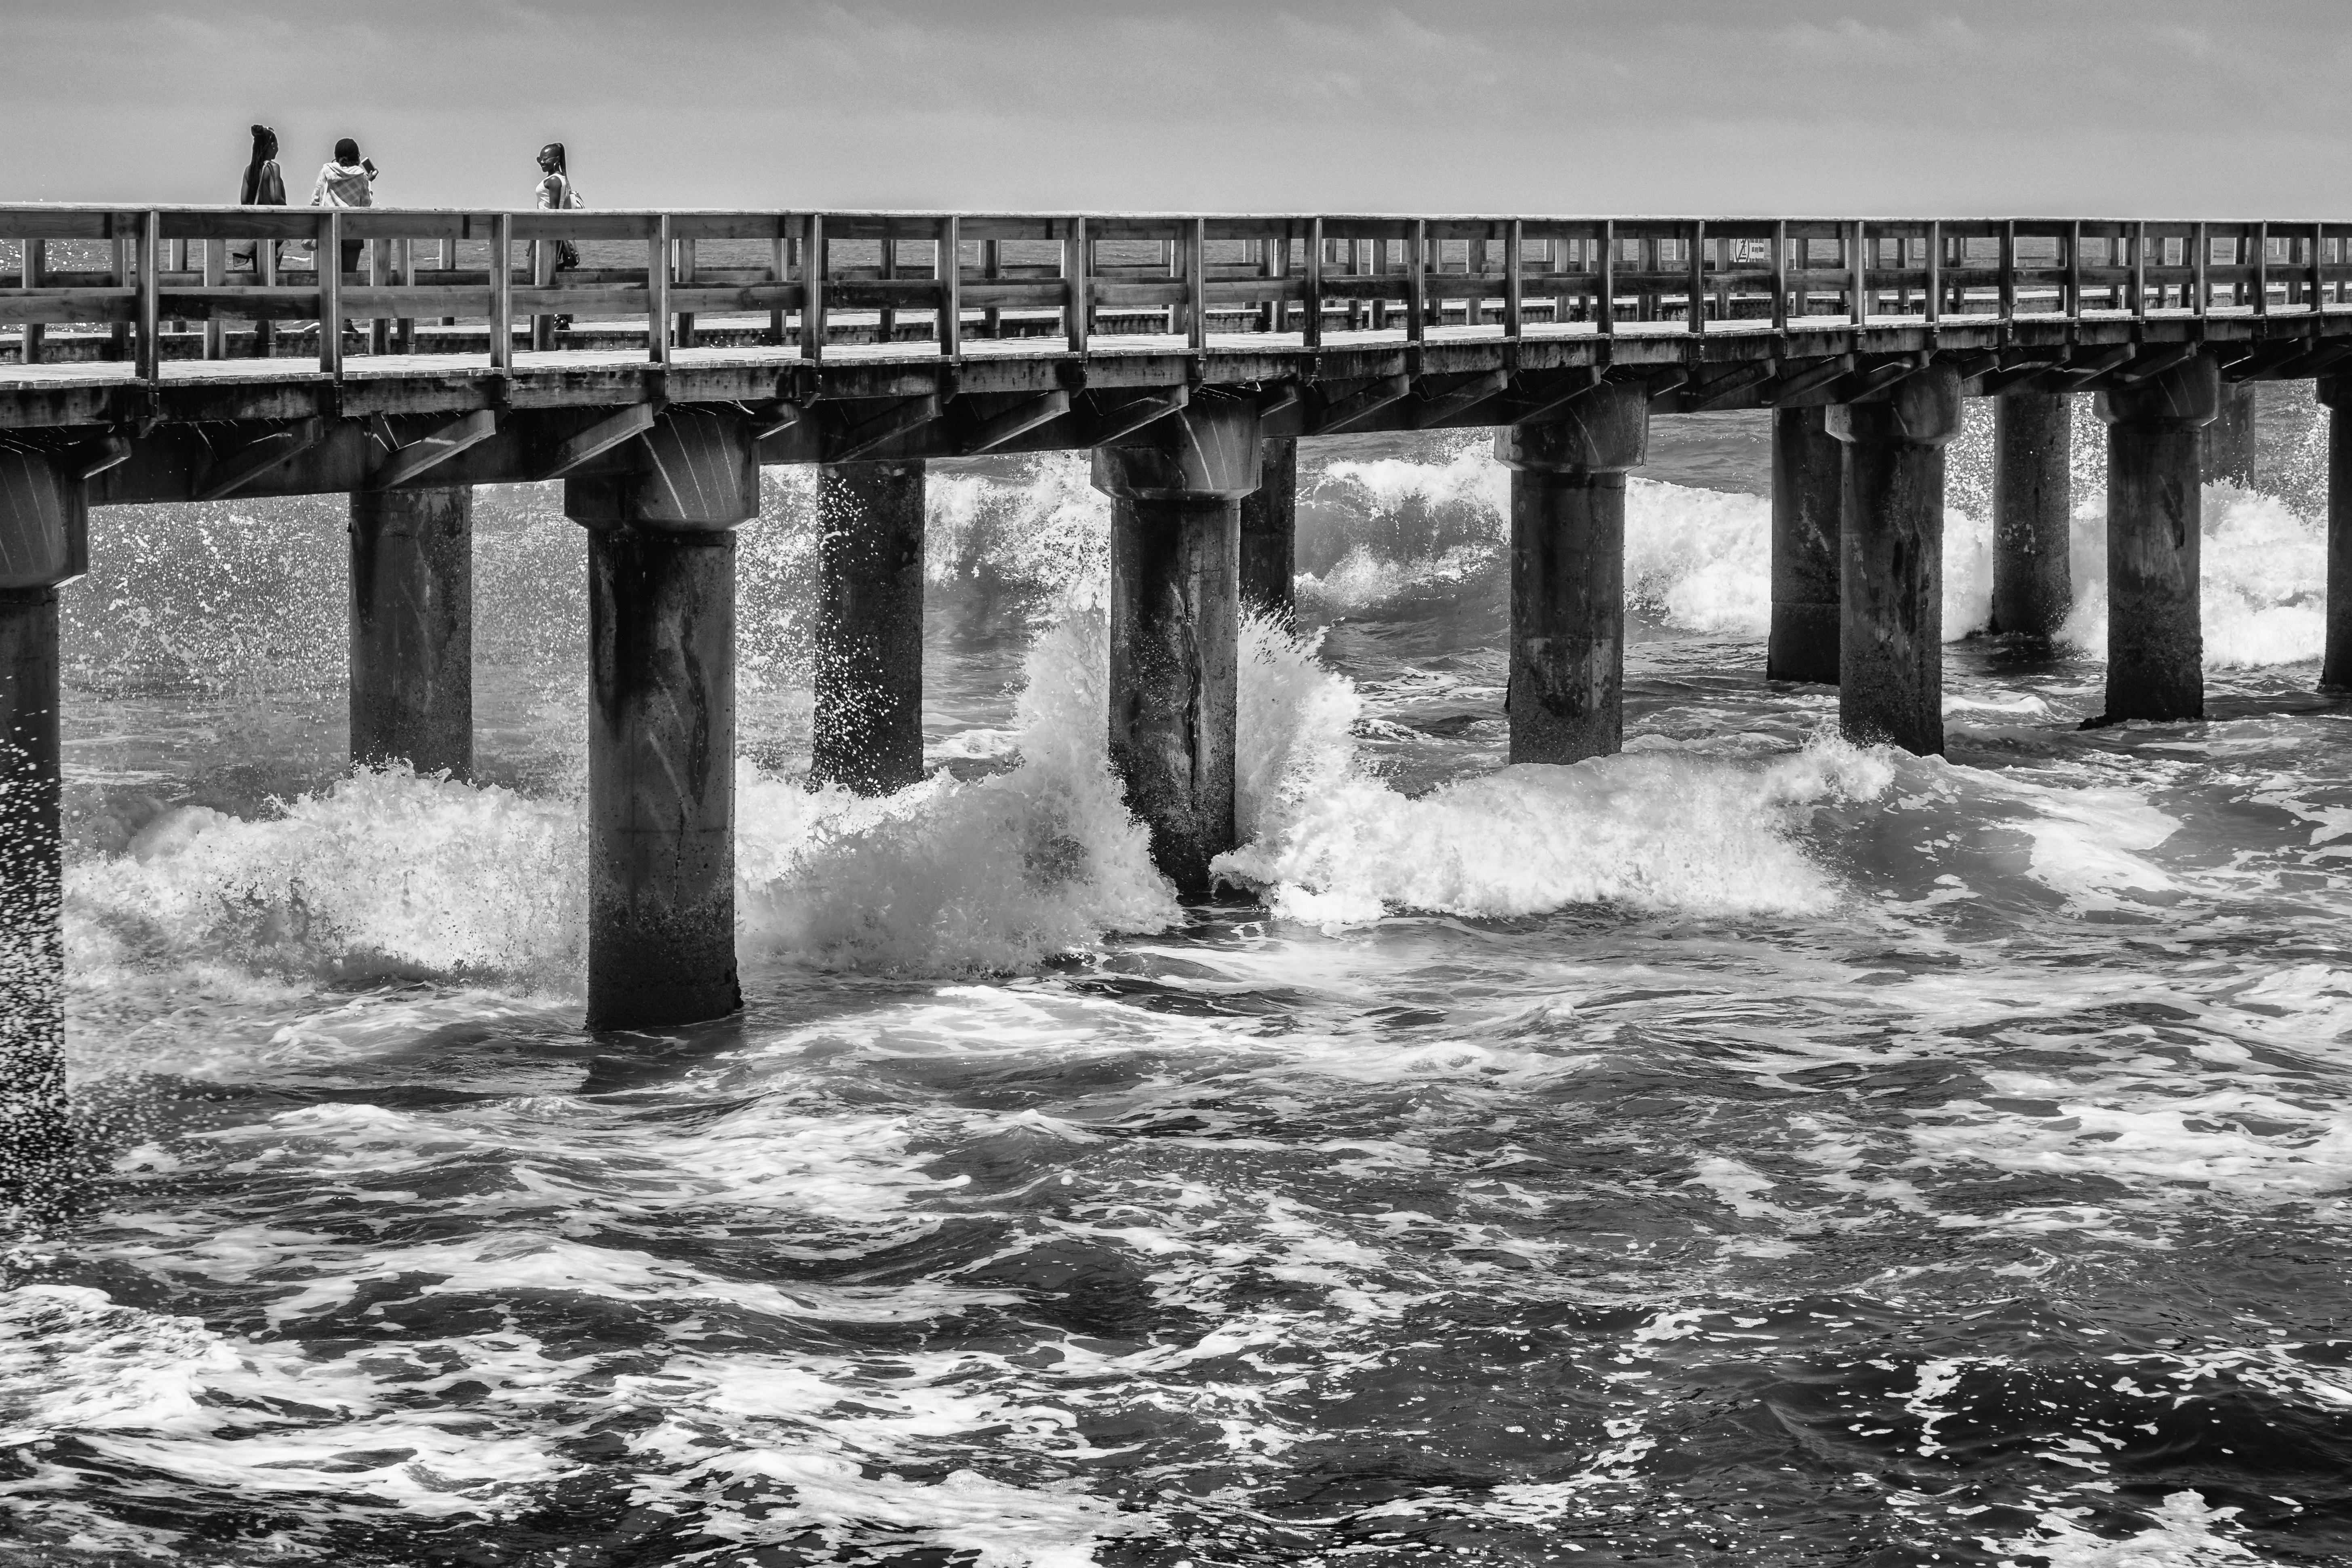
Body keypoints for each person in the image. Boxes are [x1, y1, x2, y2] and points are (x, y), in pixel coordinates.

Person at [308, 137, 377, 276]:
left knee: (326, 276)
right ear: (357, 156)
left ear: (336, 156)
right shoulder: (361, 175)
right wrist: (369, 183)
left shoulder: (326, 171)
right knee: (349, 277)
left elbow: (315, 201)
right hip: (352, 229)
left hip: (328, 228)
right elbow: (366, 203)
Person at [535, 142, 584, 331]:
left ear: (556, 161)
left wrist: (549, 235)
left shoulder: (555, 181)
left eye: (545, 159)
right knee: (552, 276)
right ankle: (558, 317)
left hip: (551, 234)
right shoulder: (559, 179)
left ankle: (558, 318)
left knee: (548, 276)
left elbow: (554, 212)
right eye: (539, 159)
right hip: (548, 234)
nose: (542, 162)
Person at [232, 125, 285, 272]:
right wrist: (286, 207)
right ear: (272, 146)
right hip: (272, 226)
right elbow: (276, 198)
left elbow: (244, 201)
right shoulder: (273, 168)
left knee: (259, 272)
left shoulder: (249, 170)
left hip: (254, 227)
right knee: (271, 271)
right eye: (277, 145)